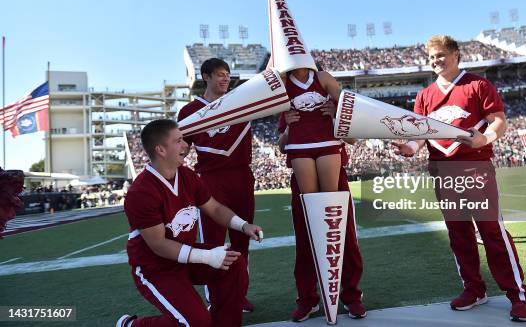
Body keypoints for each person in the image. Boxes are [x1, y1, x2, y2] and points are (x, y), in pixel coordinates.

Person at [393, 35, 526, 322]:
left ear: (456, 54)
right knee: (458, 233)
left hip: (475, 168)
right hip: (442, 170)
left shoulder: (477, 84)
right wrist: (409, 147)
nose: (436, 61)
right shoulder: (424, 95)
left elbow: (499, 120)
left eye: (441, 55)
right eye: (432, 57)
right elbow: (421, 136)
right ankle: (474, 287)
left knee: (491, 231)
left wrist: (486, 138)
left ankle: (517, 293)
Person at [117, 119, 263, 327]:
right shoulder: (141, 192)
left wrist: (243, 225)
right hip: (155, 266)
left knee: (234, 263)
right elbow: (159, 245)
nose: (186, 145)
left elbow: (214, 208)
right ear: (160, 149)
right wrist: (207, 256)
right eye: (178, 141)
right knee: (195, 322)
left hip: (185, 257)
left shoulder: (187, 176)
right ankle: (133, 325)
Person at [177, 58, 256, 312]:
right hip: (211, 180)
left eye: (228, 74)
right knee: (213, 240)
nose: (225, 78)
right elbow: (181, 149)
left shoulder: (241, 102)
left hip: (243, 177)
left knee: (242, 240)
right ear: (205, 76)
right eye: (220, 74)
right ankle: (216, 298)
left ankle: (238, 294)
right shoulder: (189, 112)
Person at [278, 102, 366, 322]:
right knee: (306, 239)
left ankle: (351, 295)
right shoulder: (289, 102)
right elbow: (281, 146)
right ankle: (308, 299)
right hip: (302, 175)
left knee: (344, 237)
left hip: (335, 173)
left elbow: (353, 139)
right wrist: (288, 128)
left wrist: (337, 119)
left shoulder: (335, 101)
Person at [282, 67, 342, 195]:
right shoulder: (283, 81)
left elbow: (347, 104)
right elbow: (267, 78)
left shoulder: (322, 76)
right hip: (299, 145)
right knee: (310, 200)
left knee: (330, 198)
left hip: (327, 142)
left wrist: (336, 113)